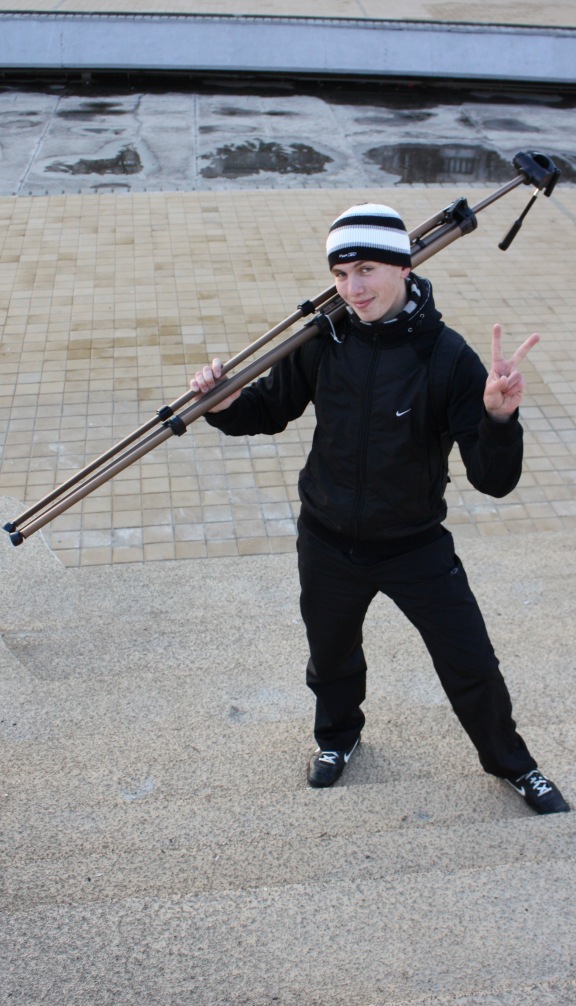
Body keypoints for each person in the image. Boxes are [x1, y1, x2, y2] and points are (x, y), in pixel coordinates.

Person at [190, 203, 569, 816]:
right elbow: (267, 410)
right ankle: (337, 739)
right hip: (327, 539)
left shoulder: (448, 356)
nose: (353, 289)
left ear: (403, 267)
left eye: (366, 270)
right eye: (341, 275)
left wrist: (500, 418)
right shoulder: (325, 339)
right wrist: (223, 403)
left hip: (413, 544)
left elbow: (494, 481)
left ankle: (513, 764)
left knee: (471, 662)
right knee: (331, 656)